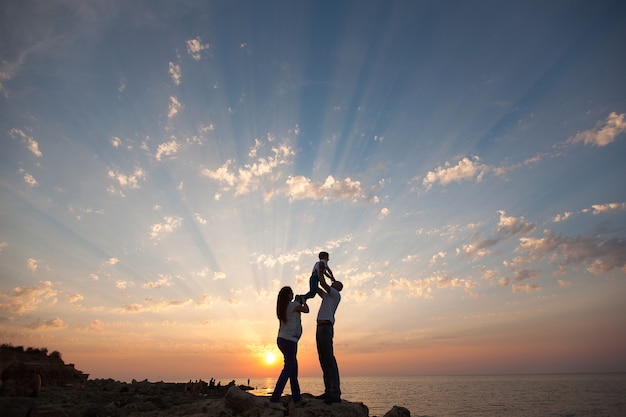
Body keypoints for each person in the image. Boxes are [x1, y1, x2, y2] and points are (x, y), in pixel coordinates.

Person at [268, 286, 310, 411]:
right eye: (291, 293)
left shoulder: (282, 307)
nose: (292, 295)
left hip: (282, 340)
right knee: (288, 368)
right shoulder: (293, 306)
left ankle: (297, 397)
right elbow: (306, 310)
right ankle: (275, 397)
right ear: (288, 296)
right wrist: (303, 301)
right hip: (290, 341)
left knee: (293, 369)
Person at [315, 271, 343, 404]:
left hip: (326, 327)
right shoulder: (327, 296)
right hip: (320, 326)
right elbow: (317, 288)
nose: (333, 282)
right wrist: (313, 278)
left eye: (335, 283)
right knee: (323, 359)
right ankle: (328, 391)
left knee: (329, 359)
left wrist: (320, 271)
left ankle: (335, 393)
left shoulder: (335, 294)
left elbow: (322, 283)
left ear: (338, 287)